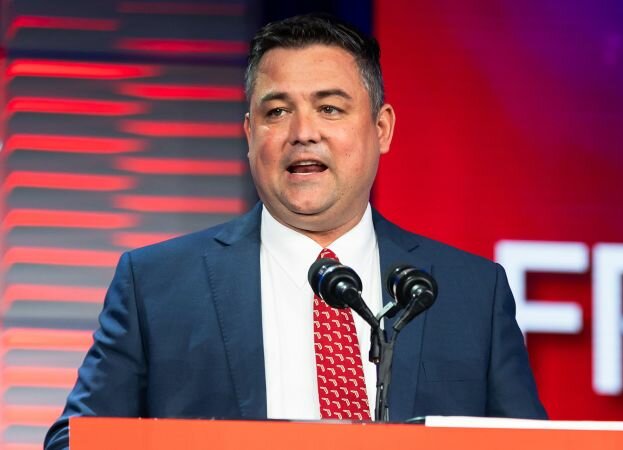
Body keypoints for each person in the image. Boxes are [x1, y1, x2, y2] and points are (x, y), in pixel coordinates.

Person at [44, 13, 547, 449]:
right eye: (277, 112)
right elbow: (75, 441)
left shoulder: (469, 294)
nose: (303, 133)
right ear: (249, 134)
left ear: (382, 129)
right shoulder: (157, 284)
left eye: (330, 108)